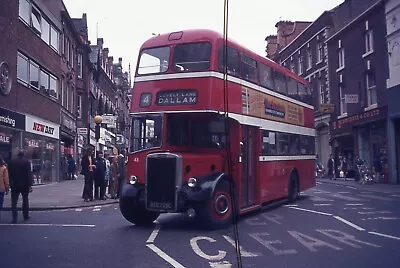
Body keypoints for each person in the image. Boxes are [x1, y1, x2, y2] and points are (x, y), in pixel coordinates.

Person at [8, 149, 33, 224]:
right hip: (24, 184)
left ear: (17, 154)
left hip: (14, 184)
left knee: (14, 202)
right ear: (23, 154)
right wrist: (30, 185)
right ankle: (25, 216)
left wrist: (10, 183)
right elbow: (29, 174)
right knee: (25, 200)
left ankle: (14, 218)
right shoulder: (27, 162)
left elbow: (9, 173)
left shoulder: (12, 162)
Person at [0, 155, 10, 220]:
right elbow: (6, 179)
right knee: (0, 203)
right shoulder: (3, 168)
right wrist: (7, 188)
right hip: (1, 188)